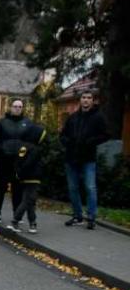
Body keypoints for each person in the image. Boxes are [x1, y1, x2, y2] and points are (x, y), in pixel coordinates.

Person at [60, 90, 110, 229]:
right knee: (73, 188)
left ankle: (91, 218)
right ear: (80, 100)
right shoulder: (73, 117)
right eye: (84, 97)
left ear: (92, 101)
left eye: (89, 98)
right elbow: (62, 135)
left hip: (88, 158)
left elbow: (106, 135)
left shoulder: (98, 117)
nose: (86, 100)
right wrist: (67, 143)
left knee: (90, 187)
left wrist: (91, 142)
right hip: (71, 158)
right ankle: (77, 216)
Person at [0, 99, 38, 222]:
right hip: (3, 160)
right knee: (0, 187)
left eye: (20, 107)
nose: (17, 108)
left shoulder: (27, 123)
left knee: (18, 188)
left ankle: (17, 214)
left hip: (19, 161)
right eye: (15, 106)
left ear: (22, 108)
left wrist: (27, 153)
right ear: (10, 107)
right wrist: (1, 149)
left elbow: (32, 140)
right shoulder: (1, 122)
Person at [7, 118, 46, 234]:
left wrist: (19, 173)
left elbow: (18, 162)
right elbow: (30, 163)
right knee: (28, 200)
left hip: (24, 178)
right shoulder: (35, 149)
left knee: (30, 201)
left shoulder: (23, 147)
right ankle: (15, 220)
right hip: (33, 178)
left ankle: (32, 223)